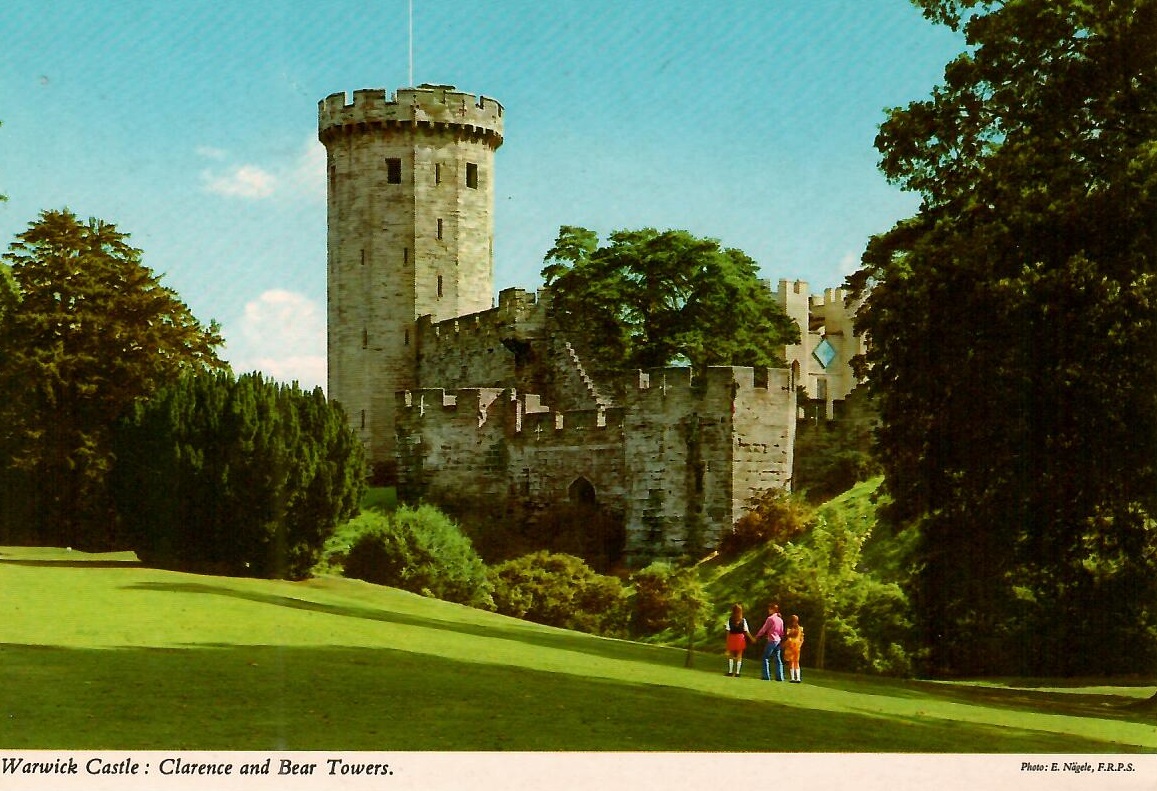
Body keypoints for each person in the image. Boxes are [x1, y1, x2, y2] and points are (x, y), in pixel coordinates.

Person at [753, 601, 785, 681]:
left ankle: (766, 675)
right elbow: (781, 632)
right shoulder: (780, 620)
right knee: (778, 658)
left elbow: (764, 629)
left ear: (772, 609)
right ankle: (779, 676)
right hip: (778, 640)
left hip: (772, 640)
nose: (768, 610)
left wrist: (757, 637)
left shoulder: (770, 619)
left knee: (765, 657)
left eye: (769, 609)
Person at [724, 603, 756, 677]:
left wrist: (727, 641)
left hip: (732, 637)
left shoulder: (730, 620)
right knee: (739, 655)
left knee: (731, 654)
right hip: (740, 638)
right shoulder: (743, 620)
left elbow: (728, 631)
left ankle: (730, 671)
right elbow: (746, 631)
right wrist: (752, 638)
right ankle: (737, 673)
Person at [784, 614, 805, 682]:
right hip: (795, 646)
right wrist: (800, 645)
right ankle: (796, 678)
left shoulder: (792, 629)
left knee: (793, 661)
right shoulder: (799, 628)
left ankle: (794, 678)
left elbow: (789, 637)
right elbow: (801, 638)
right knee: (794, 661)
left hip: (792, 646)